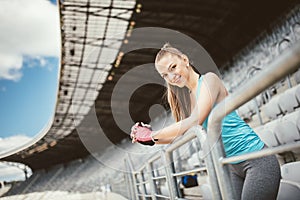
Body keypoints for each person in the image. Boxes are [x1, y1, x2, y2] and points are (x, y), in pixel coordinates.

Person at [130, 43, 281, 200]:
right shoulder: (188, 99)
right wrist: (149, 140)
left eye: (173, 67)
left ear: (185, 60)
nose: (171, 76)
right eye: (165, 75)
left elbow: (196, 119)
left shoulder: (209, 80)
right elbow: (181, 135)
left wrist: (153, 134)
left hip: (257, 160)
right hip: (230, 166)